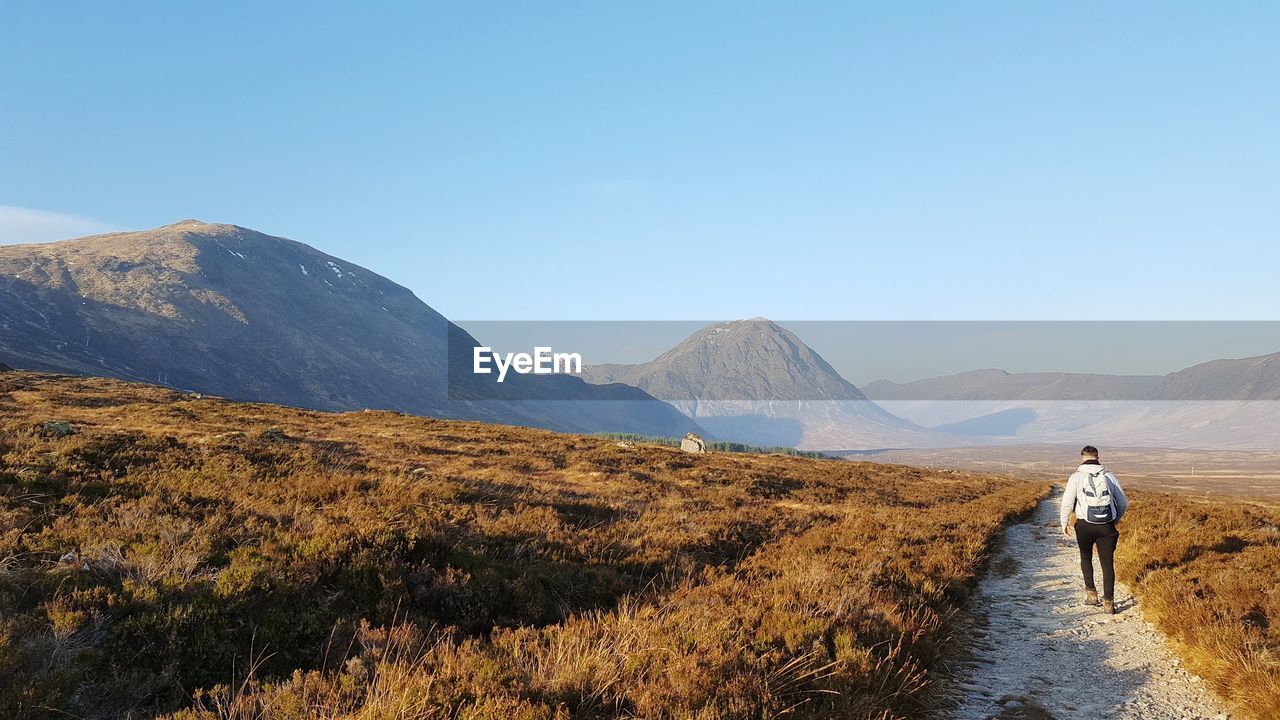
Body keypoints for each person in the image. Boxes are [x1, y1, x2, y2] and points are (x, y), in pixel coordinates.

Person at [1059, 445, 1129, 614]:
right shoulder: (1109, 476)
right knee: (1107, 563)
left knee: (1085, 557)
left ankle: (1091, 594)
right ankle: (1109, 603)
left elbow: (1068, 502)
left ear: (1082, 458)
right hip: (1106, 526)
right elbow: (1123, 502)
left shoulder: (1075, 477)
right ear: (1098, 457)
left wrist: (1064, 522)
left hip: (1084, 525)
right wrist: (1115, 519)